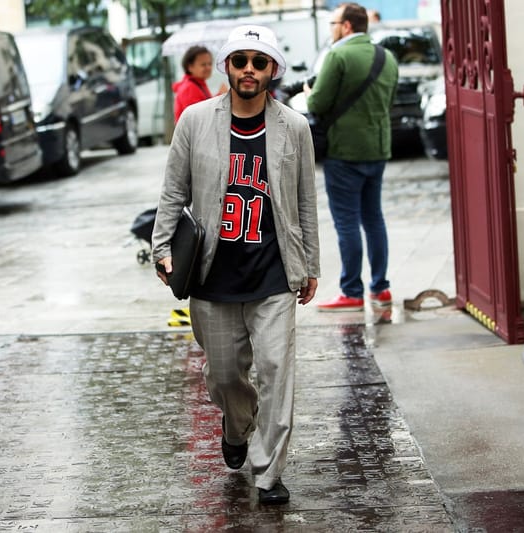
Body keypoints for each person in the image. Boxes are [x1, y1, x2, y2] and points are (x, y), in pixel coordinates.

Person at [152, 25, 320, 505]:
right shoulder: (195, 120)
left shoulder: (294, 127)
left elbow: (306, 202)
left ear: (273, 70)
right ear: (227, 66)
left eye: (259, 61)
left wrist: (310, 264)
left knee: (276, 371)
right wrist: (161, 246)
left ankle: (269, 473)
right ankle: (235, 423)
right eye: (241, 60)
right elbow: (173, 191)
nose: (249, 69)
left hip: (273, 272)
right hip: (212, 274)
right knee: (225, 375)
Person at [304, 2, 398, 312]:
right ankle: (381, 288)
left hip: (344, 151)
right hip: (378, 148)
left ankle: (352, 291)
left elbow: (317, 103)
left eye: (333, 23)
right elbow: (389, 101)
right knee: (374, 218)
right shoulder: (388, 58)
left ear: (346, 26)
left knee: (346, 223)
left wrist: (307, 93)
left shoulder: (338, 55)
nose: (331, 29)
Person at [172, 45, 227, 122]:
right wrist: (220, 97)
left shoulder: (198, 83)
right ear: (190, 67)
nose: (208, 67)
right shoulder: (189, 88)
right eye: (203, 65)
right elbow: (199, 116)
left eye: (210, 64)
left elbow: (204, 105)